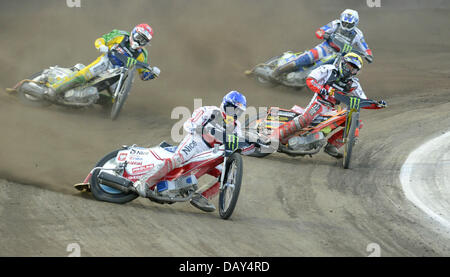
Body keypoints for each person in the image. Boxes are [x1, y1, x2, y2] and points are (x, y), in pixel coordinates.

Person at [133, 90, 256, 211]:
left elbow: (239, 147)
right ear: (225, 104)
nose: (234, 113)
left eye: (238, 111)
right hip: (196, 142)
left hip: (213, 153)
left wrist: (251, 144)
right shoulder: (209, 111)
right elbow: (188, 124)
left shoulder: (236, 127)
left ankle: (202, 197)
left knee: (226, 174)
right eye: (232, 108)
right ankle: (144, 183)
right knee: (177, 159)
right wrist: (205, 131)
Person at [271, 52, 386, 158]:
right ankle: (274, 136)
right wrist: (321, 89)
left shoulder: (354, 83)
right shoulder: (328, 69)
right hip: (319, 102)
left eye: (354, 69)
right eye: (349, 66)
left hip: (331, 109)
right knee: (305, 119)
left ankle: (332, 146)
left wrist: (377, 104)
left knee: (356, 123)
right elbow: (310, 79)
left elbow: (363, 101)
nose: (350, 70)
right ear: (343, 63)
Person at [46, 23, 160, 97]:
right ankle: (53, 89)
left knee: (115, 99)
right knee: (82, 76)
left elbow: (143, 75)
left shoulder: (142, 54)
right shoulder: (121, 35)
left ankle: (87, 102)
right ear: (134, 33)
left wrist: (153, 73)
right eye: (139, 38)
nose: (140, 42)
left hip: (120, 73)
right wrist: (101, 46)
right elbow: (102, 39)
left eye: (143, 41)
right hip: (106, 62)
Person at [272, 9, 373, 79]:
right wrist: (323, 34)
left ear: (355, 24)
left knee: (345, 72)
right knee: (307, 57)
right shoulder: (335, 24)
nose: (346, 26)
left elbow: (365, 47)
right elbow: (320, 30)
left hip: (341, 56)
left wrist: (368, 55)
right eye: (344, 23)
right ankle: (278, 71)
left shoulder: (358, 34)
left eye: (349, 24)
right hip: (325, 48)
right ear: (341, 20)